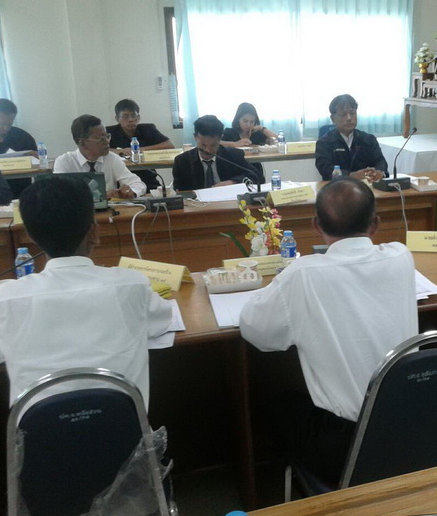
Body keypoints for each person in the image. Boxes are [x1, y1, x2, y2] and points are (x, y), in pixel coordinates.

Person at [239, 178, 418, 483]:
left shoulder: (303, 273)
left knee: (278, 404)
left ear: (315, 225)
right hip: (410, 427)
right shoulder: (401, 255)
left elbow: (255, 330)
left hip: (346, 446)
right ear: (376, 224)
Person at [0, 176, 173, 407]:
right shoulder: (133, 285)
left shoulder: (1, 299)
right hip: (125, 428)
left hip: (42, 431)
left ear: (30, 236)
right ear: (94, 232)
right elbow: (162, 321)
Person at [53, 114, 146, 198]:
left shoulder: (112, 158)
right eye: (101, 139)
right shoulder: (65, 162)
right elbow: (59, 193)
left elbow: (138, 184)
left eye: (107, 136)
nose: (107, 142)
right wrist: (102, 196)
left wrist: (131, 192)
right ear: (82, 142)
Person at [172, 115, 262, 190]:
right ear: (195, 137)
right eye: (203, 145)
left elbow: (257, 177)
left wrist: (233, 182)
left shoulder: (233, 155)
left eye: (213, 145)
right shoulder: (182, 161)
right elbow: (179, 191)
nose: (207, 150)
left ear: (220, 139)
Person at [315, 94, 388, 182]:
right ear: (333, 119)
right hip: (336, 187)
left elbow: (380, 162)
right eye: (343, 114)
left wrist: (379, 172)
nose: (349, 118)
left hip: (365, 187)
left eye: (352, 113)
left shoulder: (368, 139)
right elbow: (326, 170)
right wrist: (350, 176)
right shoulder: (324, 143)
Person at [106, 99, 174, 190]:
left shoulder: (148, 129)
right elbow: (97, 150)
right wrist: (119, 151)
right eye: (125, 116)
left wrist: (137, 150)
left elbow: (169, 146)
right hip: (121, 182)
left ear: (138, 118)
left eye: (133, 116)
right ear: (117, 118)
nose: (130, 120)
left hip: (147, 177)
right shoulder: (109, 132)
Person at [0, 99, 38, 199]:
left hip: (21, 190)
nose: (6, 128)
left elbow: (38, 160)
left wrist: (34, 158)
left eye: (9, 124)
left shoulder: (22, 136)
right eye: (2, 124)